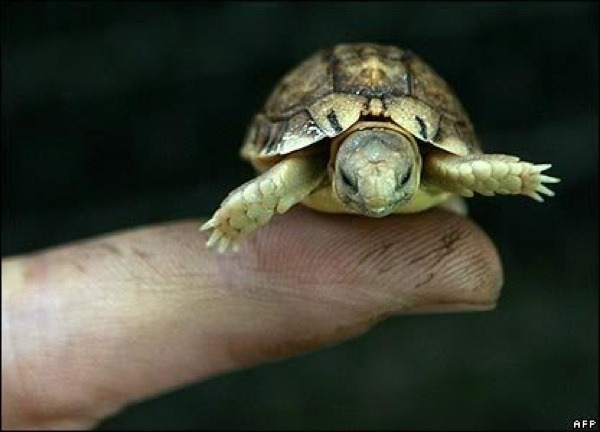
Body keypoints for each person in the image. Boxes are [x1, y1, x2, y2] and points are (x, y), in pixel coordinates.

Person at [2, 207, 502, 430]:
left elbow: (467, 168)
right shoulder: (308, 168)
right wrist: (235, 220)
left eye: (395, 182)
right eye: (353, 181)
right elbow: (285, 177)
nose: (374, 196)